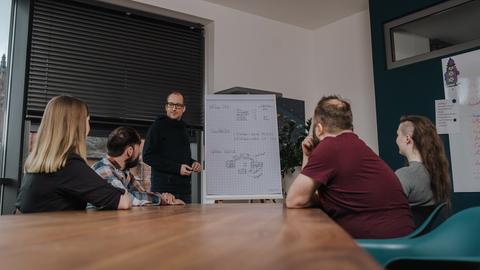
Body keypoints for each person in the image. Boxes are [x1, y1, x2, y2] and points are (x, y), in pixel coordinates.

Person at [286, 95, 414, 239]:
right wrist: (307, 156)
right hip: (403, 237)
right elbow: (307, 195)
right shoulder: (357, 145)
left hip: (382, 245)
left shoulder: (330, 146)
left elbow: (294, 200)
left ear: (319, 128)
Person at [16, 96, 132, 213]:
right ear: (78, 126)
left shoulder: (40, 165)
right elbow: (123, 202)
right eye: (87, 120)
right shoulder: (68, 164)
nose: (89, 126)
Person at [92, 126, 184, 206]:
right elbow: (126, 198)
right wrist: (161, 200)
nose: (139, 155)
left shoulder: (124, 172)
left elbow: (141, 194)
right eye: (138, 151)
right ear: (130, 151)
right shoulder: (103, 169)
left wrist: (164, 197)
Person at [143, 91, 201, 203]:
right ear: (166, 107)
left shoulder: (184, 128)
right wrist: (177, 168)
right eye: (171, 105)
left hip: (184, 190)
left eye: (178, 106)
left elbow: (181, 158)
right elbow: (147, 156)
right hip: (164, 190)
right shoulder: (157, 127)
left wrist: (193, 163)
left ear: (183, 109)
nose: (174, 108)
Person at [395, 115, 452, 208]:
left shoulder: (405, 175)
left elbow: (389, 211)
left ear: (407, 139)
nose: (396, 139)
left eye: (398, 135)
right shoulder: (436, 171)